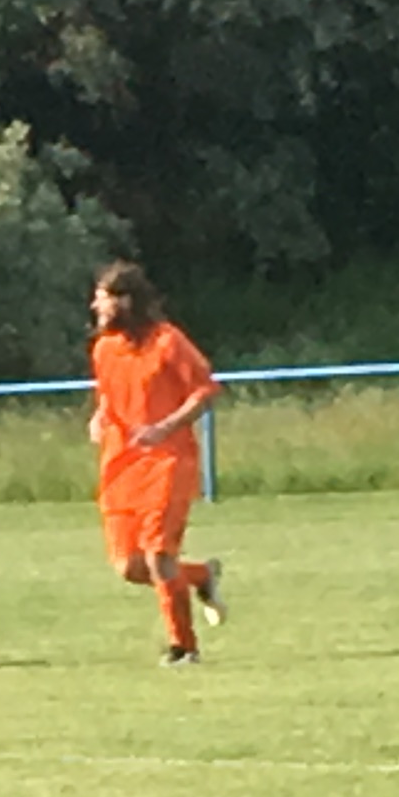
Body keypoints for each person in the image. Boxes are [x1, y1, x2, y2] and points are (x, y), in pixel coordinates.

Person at [85, 262, 226, 666]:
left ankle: (184, 647)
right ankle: (200, 575)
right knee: (129, 567)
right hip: (121, 464)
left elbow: (205, 390)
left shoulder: (168, 341)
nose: (95, 305)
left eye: (102, 297)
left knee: (158, 556)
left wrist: (165, 427)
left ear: (126, 301)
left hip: (167, 461)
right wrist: (100, 415)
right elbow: (109, 392)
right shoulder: (105, 348)